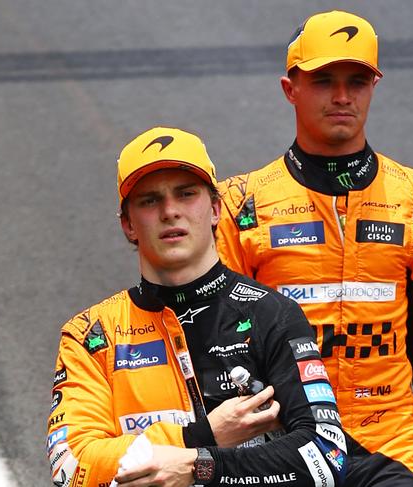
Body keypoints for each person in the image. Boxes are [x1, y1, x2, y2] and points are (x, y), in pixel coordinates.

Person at [216, 10, 413, 487]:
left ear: (374, 86)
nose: (341, 96)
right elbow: (222, 344)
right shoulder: (241, 203)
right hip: (286, 444)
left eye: (357, 81)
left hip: (389, 443)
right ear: (289, 89)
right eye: (322, 81)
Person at [47, 127, 348, 487]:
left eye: (186, 194)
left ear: (216, 209)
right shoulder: (91, 334)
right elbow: (71, 466)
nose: (170, 211)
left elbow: (326, 455)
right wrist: (201, 435)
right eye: (149, 201)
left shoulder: (271, 313)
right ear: (128, 224)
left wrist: (198, 468)